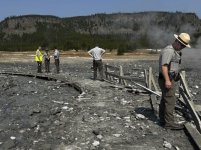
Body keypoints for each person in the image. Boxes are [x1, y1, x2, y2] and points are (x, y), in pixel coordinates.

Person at [158, 33, 191, 130]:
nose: (183, 47)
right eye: (182, 45)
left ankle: (163, 120)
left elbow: (173, 66)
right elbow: (164, 66)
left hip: (169, 78)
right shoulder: (169, 51)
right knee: (170, 101)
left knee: (165, 99)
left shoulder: (175, 51)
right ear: (177, 42)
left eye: (184, 46)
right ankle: (169, 123)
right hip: (166, 79)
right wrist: (168, 80)